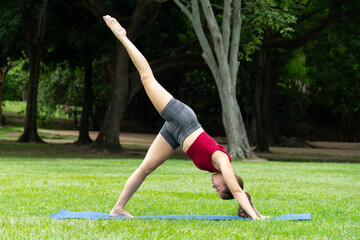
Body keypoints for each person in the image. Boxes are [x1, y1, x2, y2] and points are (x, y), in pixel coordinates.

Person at [103, 15, 268, 220]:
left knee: (145, 168)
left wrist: (256, 211)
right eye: (218, 189)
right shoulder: (224, 162)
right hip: (183, 120)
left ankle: (118, 208)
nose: (213, 186)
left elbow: (240, 194)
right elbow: (237, 192)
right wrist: (256, 218)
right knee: (147, 78)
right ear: (226, 181)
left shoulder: (217, 167)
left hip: (176, 135)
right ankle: (123, 36)